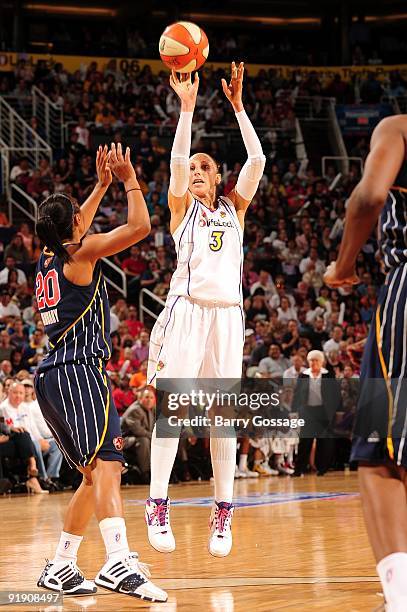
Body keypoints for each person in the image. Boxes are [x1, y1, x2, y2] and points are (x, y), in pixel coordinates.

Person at [33, 145, 167, 601]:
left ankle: (61, 566)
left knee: (92, 475)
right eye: (78, 213)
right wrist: (128, 179)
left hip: (52, 375)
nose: (83, 217)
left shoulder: (49, 259)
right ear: (72, 226)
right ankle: (116, 562)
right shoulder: (82, 253)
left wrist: (100, 185)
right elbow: (140, 227)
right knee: (109, 464)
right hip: (76, 371)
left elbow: (76, 224)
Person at [145, 62, 265, 558]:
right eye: (191, 169)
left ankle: (223, 511)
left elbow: (256, 159)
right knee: (172, 409)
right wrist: (187, 109)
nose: (194, 172)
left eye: (203, 168)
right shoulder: (181, 210)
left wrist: (238, 107)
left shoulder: (234, 208)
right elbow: (174, 162)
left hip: (228, 317)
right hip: (187, 310)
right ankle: (157, 503)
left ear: (218, 178)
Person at [324, 114, 407, 612]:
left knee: (380, 450)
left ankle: (399, 595)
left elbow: (369, 197)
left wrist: (345, 262)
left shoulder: (398, 126)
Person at [291, 350, 342, 476]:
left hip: (324, 412)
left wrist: (339, 411)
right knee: (305, 441)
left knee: (324, 442)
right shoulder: (303, 375)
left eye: (316, 360)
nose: (313, 363)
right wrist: (293, 411)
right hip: (307, 412)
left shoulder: (328, 375)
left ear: (321, 362)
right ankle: (299, 469)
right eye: (311, 360)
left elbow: (336, 394)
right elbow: (297, 395)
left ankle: (321, 468)